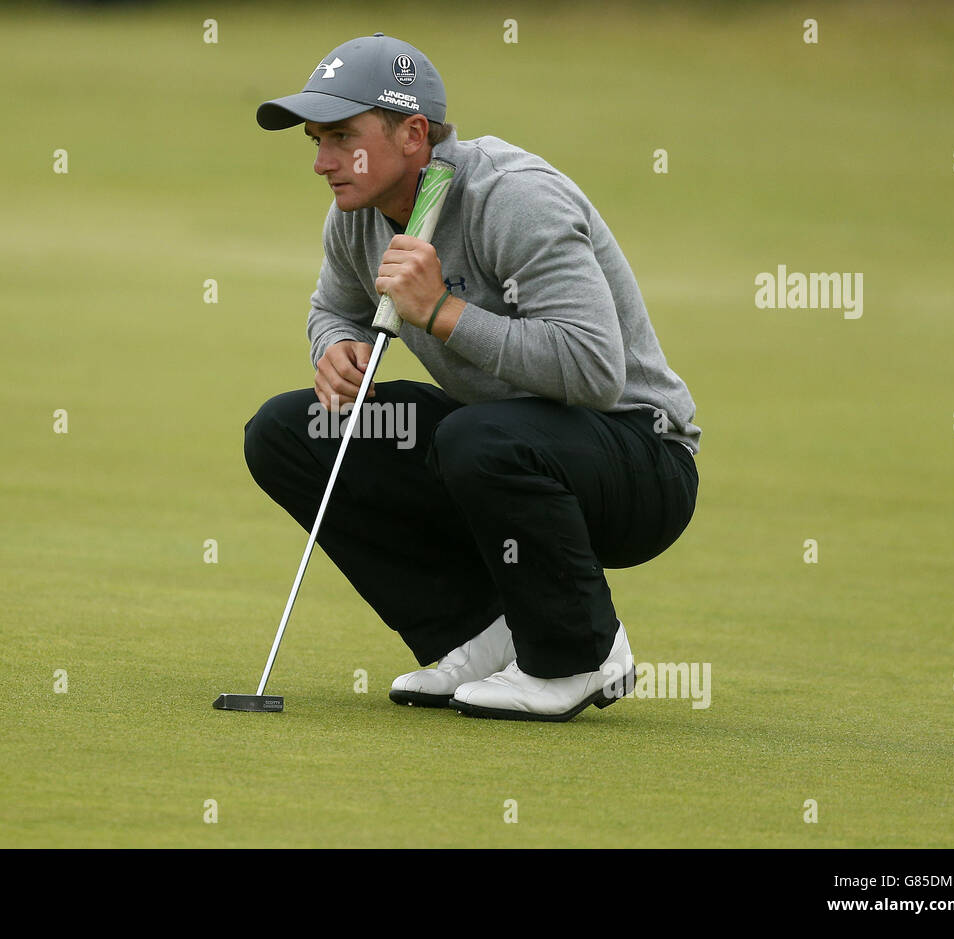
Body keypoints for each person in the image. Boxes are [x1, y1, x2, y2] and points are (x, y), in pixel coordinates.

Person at [244, 33, 701, 722]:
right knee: (287, 431)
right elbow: (333, 306)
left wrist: (443, 312)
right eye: (315, 140)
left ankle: (576, 653)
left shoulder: (511, 197)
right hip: (497, 447)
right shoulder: (358, 217)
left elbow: (597, 371)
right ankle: (483, 635)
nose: (321, 162)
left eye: (341, 137)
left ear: (413, 134)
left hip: (639, 459)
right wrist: (333, 347)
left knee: (477, 436)